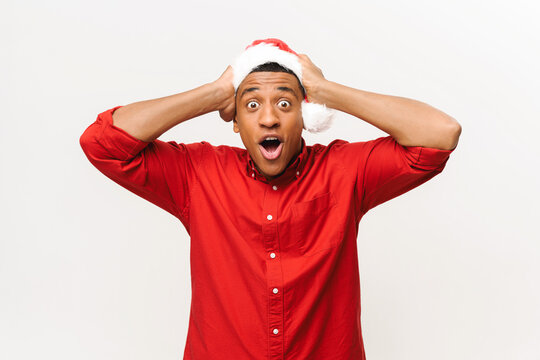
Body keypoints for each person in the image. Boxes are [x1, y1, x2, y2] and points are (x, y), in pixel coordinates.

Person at [79, 38, 461, 360]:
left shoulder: (344, 171)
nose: (268, 119)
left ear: (306, 116)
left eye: (284, 103)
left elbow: (440, 134)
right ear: (235, 122)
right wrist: (214, 92)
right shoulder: (198, 174)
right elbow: (102, 144)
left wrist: (328, 91)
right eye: (251, 105)